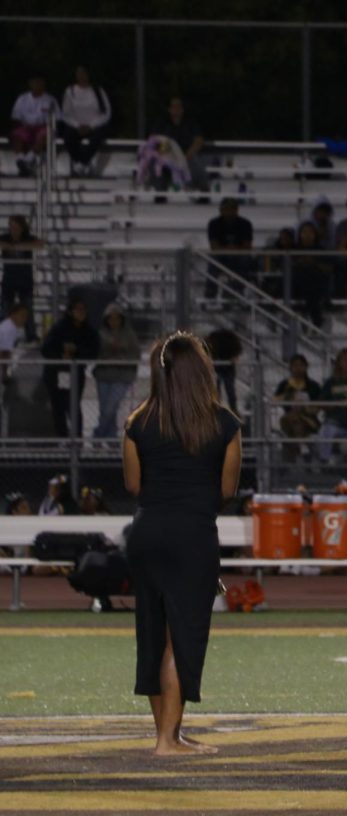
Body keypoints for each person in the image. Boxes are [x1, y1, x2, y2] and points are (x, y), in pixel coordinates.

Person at [123, 331, 241, 755]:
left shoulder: (138, 421)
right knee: (181, 638)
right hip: (192, 535)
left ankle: (165, 734)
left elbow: (134, 485)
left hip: (147, 532)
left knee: (152, 636)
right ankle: (168, 740)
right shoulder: (223, 423)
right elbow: (227, 489)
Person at [41, 298, 99, 438]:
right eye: (77, 310)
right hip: (56, 374)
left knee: (73, 406)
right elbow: (46, 349)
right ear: (70, 311)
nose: (80, 313)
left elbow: (93, 352)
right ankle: (62, 437)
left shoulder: (89, 331)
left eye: (83, 310)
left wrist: (76, 351)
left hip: (76, 374)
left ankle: (77, 440)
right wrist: (62, 353)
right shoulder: (60, 328)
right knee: (58, 406)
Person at [92, 303, 140, 440]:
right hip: (104, 375)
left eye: (116, 318)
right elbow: (95, 353)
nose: (114, 321)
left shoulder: (129, 335)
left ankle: (98, 434)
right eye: (110, 318)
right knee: (105, 410)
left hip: (123, 376)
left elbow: (135, 355)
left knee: (110, 408)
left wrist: (121, 352)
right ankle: (110, 437)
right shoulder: (100, 334)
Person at [59, 66, 111, 177]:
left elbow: (107, 113)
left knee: (98, 137)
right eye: (79, 74)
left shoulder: (98, 91)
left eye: (84, 73)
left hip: (94, 126)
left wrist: (91, 126)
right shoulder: (70, 91)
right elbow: (65, 113)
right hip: (76, 126)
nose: (82, 76)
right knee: (68, 137)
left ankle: (82, 163)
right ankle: (79, 162)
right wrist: (77, 125)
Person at [0, 215, 43, 341]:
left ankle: (31, 335)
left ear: (22, 227)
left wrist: (20, 246)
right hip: (9, 279)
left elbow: (40, 244)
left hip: (25, 279)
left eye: (16, 227)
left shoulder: (27, 237)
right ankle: (3, 334)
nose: (13, 229)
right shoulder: (6, 237)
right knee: (6, 308)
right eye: (11, 226)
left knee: (27, 308)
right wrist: (7, 245)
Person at [152, 97, 208, 191]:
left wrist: (188, 155)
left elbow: (199, 140)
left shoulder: (190, 122)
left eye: (178, 106)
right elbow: (154, 141)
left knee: (196, 162)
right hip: (168, 157)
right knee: (155, 162)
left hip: (186, 157)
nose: (176, 109)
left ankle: (203, 192)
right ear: (169, 109)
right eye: (173, 106)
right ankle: (160, 193)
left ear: (182, 109)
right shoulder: (162, 123)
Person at [274, 353, 322, 462]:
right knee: (290, 419)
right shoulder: (285, 384)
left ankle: (298, 447)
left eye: (301, 365)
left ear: (306, 367)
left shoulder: (313, 386)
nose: (298, 368)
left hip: (308, 418)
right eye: (295, 365)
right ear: (290, 367)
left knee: (293, 421)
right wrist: (289, 397)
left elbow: (319, 405)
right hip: (289, 418)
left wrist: (307, 407)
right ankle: (301, 445)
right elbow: (275, 399)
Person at [9, 74, 59, 177]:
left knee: (45, 134)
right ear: (30, 83)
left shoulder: (50, 100)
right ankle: (20, 159)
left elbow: (57, 118)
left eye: (39, 81)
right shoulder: (22, 99)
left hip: (43, 127)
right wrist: (26, 125)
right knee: (16, 135)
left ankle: (28, 160)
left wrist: (44, 124)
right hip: (26, 127)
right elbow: (16, 117)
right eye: (34, 82)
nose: (36, 84)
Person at [207, 199, 255, 295]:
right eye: (226, 209)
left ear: (237, 210)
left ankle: (234, 292)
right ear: (220, 210)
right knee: (213, 260)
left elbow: (247, 247)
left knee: (246, 259)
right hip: (222, 257)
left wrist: (230, 249)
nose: (229, 212)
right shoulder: (214, 223)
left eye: (232, 209)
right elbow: (214, 247)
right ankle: (210, 294)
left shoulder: (245, 224)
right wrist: (232, 249)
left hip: (239, 257)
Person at [292, 221, 333, 326]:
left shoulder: (320, 250)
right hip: (296, 285)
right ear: (300, 235)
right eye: (304, 232)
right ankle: (316, 319)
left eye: (310, 232)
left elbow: (328, 268)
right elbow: (288, 267)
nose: (307, 235)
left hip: (316, 286)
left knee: (312, 284)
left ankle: (309, 319)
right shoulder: (294, 250)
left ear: (315, 235)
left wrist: (314, 263)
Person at [0, 302, 29, 385]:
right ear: (13, 314)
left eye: (26, 316)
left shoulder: (11, 326)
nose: (25, 319)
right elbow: (4, 353)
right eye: (22, 315)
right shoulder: (8, 329)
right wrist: (4, 375)